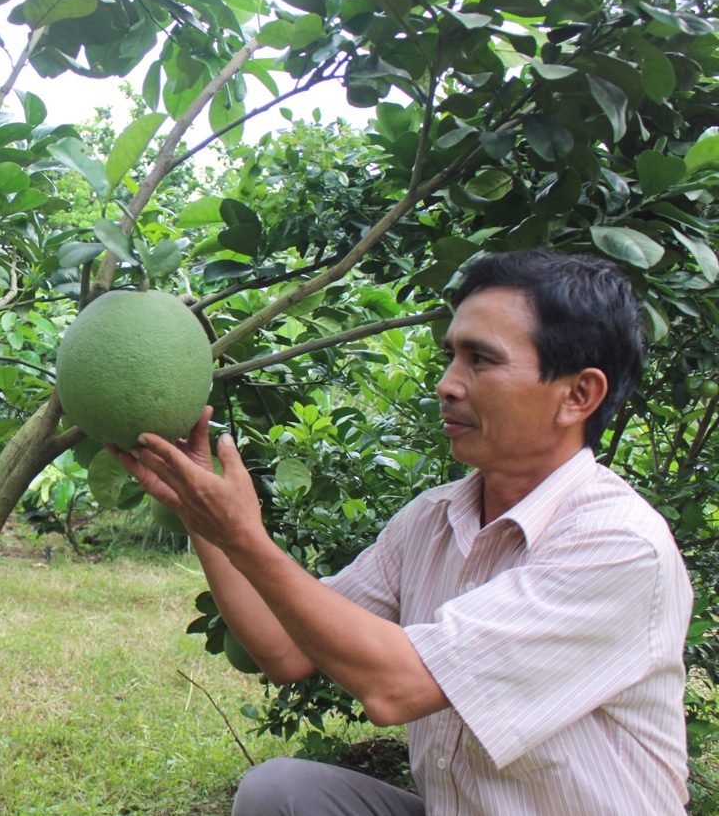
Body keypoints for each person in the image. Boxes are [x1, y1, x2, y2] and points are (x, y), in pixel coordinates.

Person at [111, 250, 693, 816]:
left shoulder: (618, 545)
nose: (447, 383)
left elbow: (397, 687)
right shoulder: (433, 518)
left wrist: (244, 536)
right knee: (281, 792)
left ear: (577, 395)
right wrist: (200, 515)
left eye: (481, 360)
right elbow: (285, 651)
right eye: (451, 357)